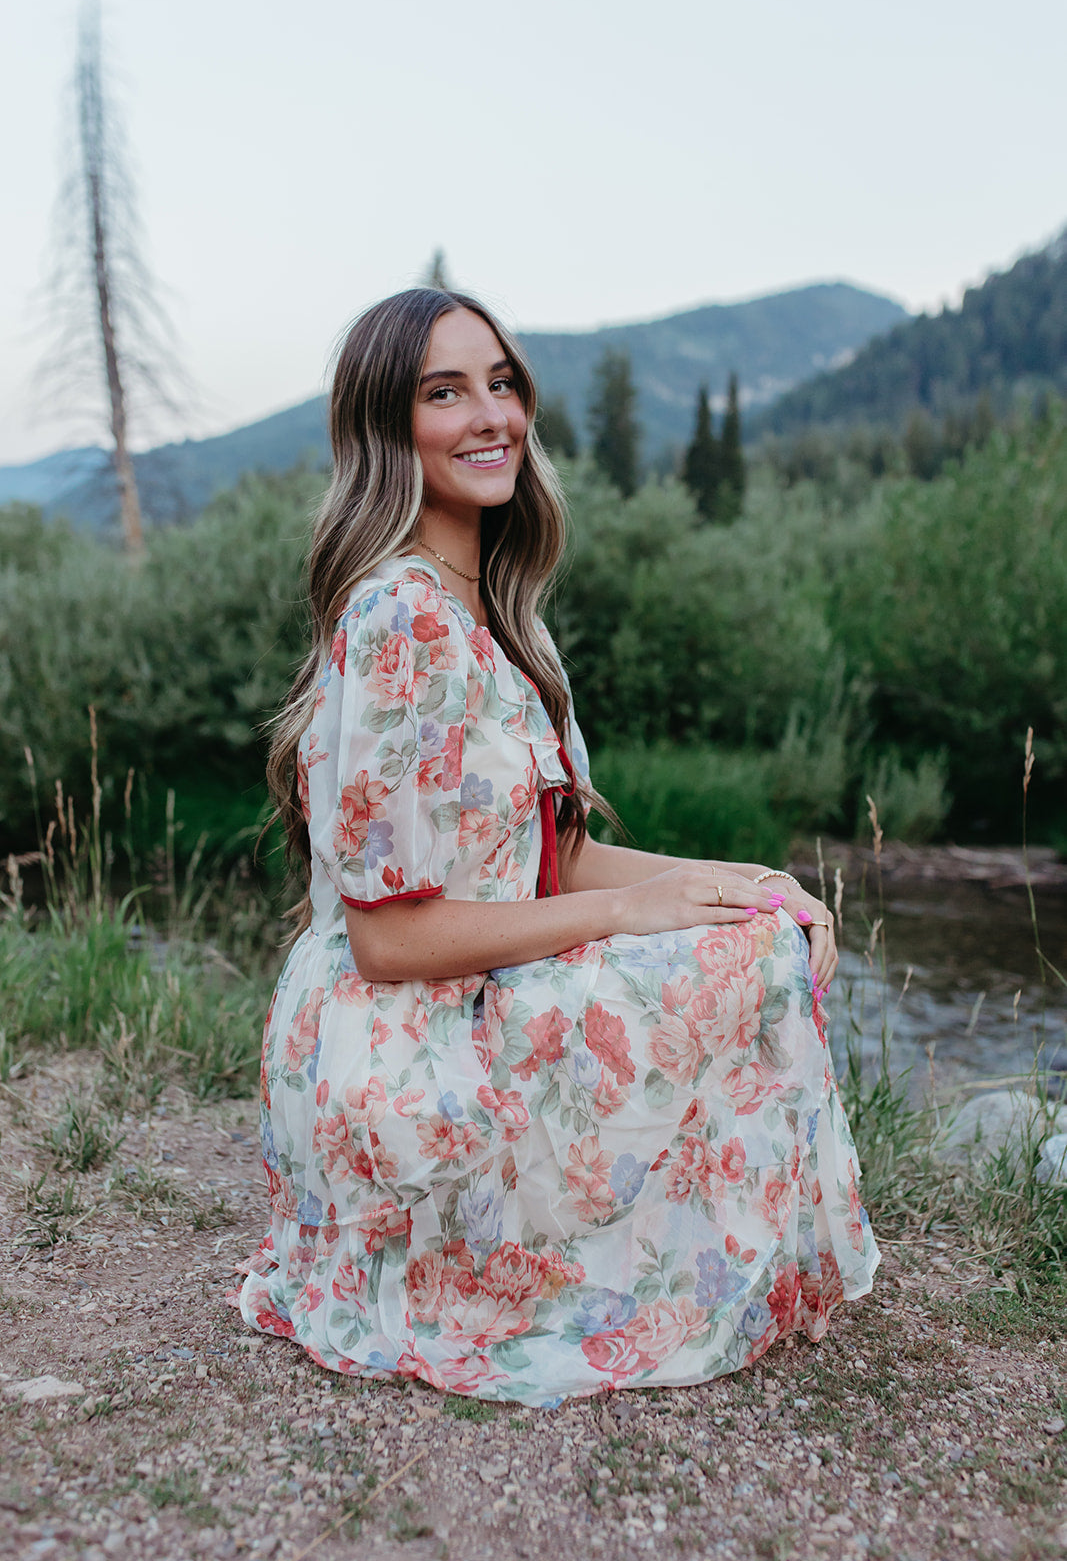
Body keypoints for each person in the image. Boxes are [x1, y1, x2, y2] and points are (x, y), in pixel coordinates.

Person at [234, 287, 880, 1405]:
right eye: (445, 392)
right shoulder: (397, 616)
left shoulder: (504, 614)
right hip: (400, 1034)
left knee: (760, 935)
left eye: (501, 382)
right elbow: (391, 941)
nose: (490, 415)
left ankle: (685, 1265)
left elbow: (559, 857)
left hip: (485, 985)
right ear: (388, 428)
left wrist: (736, 882)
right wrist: (634, 915)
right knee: (731, 961)